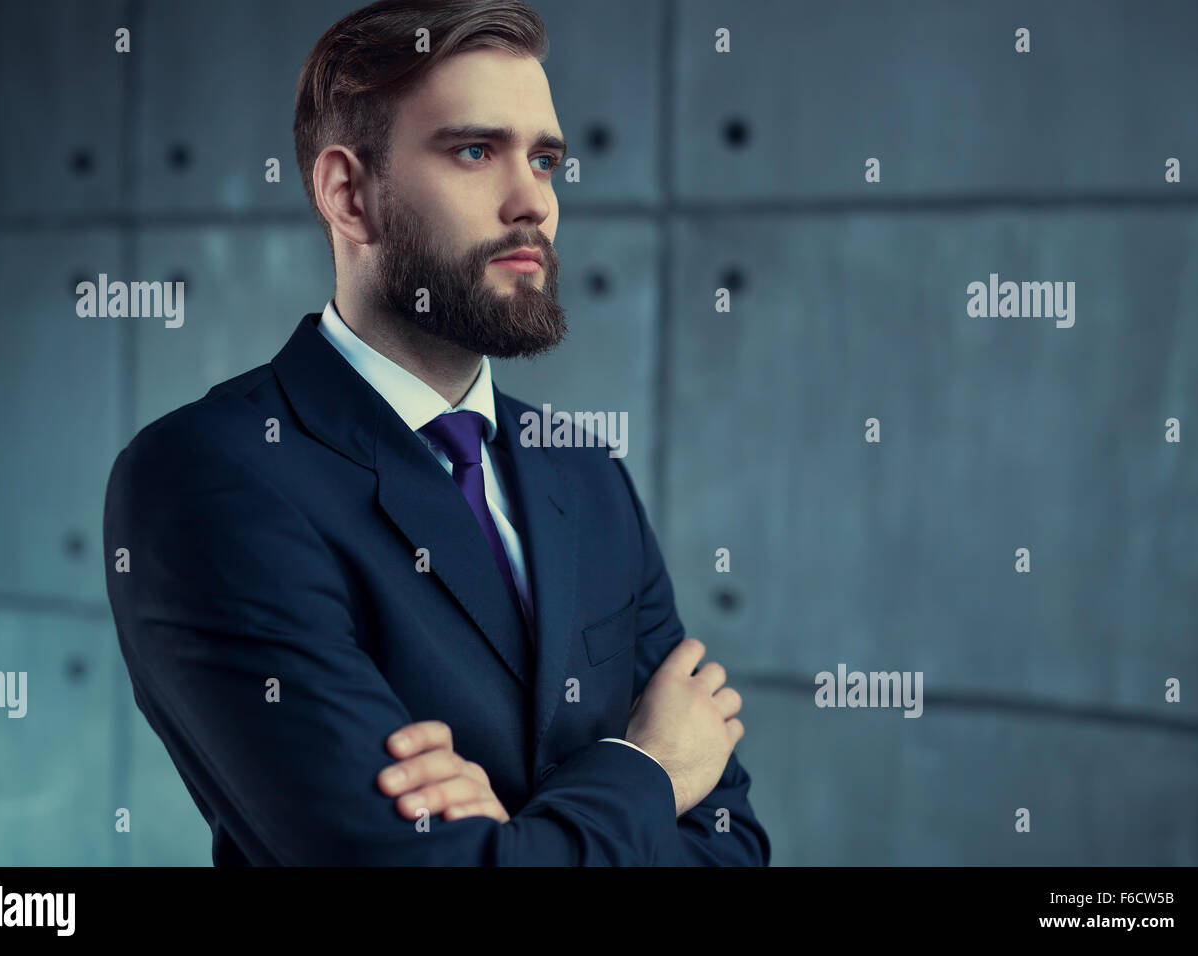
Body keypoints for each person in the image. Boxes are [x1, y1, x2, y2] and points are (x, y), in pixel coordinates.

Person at [103, 0, 770, 866]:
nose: (532, 202)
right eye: (474, 151)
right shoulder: (208, 477)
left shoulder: (586, 473)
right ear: (349, 194)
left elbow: (732, 848)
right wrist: (644, 769)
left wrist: (517, 834)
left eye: (546, 160)